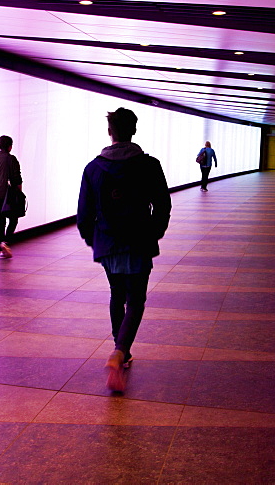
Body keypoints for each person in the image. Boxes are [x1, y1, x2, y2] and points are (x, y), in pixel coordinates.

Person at [77, 107, 171, 392]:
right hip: (138, 240)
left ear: (110, 132)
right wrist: (154, 232)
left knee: (117, 295)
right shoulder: (149, 165)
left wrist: (94, 240)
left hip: (108, 243)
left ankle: (123, 350)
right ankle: (119, 352)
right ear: (133, 130)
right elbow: (163, 205)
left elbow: (83, 214)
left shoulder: (93, 168)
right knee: (137, 299)